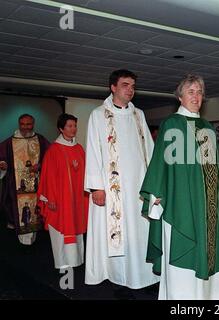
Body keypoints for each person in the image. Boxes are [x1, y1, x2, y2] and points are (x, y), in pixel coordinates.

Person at [140, 74, 219, 300]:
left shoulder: (206, 126)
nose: (196, 96)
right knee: (184, 264)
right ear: (180, 97)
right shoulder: (171, 124)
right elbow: (162, 163)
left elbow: (212, 165)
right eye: (191, 92)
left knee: (214, 255)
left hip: (209, 206)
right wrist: (156, 194)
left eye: (199, 92)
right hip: (182, 204)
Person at [84, 69, 159, 290]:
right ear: (113, 87)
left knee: (140, 231)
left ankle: (146, 276)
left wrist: (154, 184)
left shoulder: (139, 115)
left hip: (138, 186)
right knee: (118, 233)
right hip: (112, 188)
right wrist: (97, 187)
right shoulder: (98, 115)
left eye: (133, 86)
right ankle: (118, 279)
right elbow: (93, 150)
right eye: (125, 85)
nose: (130, 90)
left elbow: (150, 150)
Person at [37, 113, 89, 269]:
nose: (73, 129)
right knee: (60, 232)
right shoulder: (54, 150)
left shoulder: (79, 149)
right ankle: (63, 263)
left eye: (75, 126)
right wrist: (50, 199)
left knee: (77, 228)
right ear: (61, 128)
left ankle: (76, 260)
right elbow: (48, 177)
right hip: (60, 200)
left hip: (77, 200)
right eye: (69, 126)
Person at [0, 114, 50, 245]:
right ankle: (22, 242)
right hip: (16, 184)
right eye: (23, 124)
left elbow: (51, 157)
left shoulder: (41, 140)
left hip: (36, 185)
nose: (25, 127)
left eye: (28, 124)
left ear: (33, 124)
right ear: (19, 124)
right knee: (19, 212)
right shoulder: (9, 142)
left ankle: (32, 240)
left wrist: (40, 165)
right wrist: (3, 164)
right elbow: (2, 159)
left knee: (34, 211)